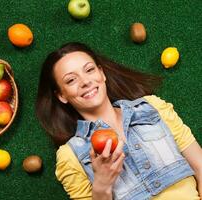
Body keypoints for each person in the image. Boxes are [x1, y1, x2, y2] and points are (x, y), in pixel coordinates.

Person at [35, 42, 202, 200]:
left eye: (89, 70)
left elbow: (200, 167)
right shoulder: (70, 157)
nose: (85, 82)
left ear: (101, 73)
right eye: (71, 80)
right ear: (61, 95)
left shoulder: (153, 107)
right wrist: (102, 186)